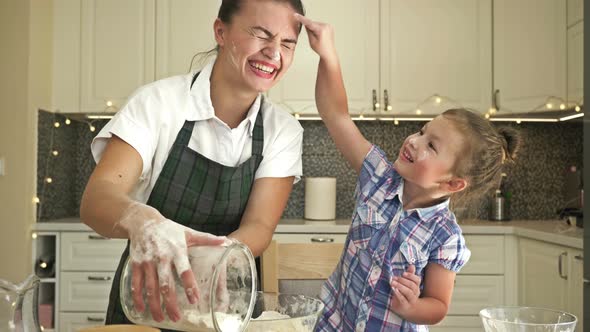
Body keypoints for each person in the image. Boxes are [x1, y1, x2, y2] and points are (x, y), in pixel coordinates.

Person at [80, 0, 306, 327]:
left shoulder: (281, 130)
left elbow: (260, 226)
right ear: (221, 31)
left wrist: (214, 261)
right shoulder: (158, 103)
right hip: (147, 299)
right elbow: (97, 199)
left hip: (227, 301)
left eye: (287, 44)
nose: (274, 53)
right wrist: (142, 221)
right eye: (261, 34)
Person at [295, 14, 522, 331]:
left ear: (453, 182)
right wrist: (328, 54)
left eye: (431, 146)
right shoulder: (378, 177)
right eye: (421, 132)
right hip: (335, 324)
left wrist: (414, 306)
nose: (414, 142)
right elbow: (335, 115)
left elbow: (438, 306)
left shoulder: (445, 236)